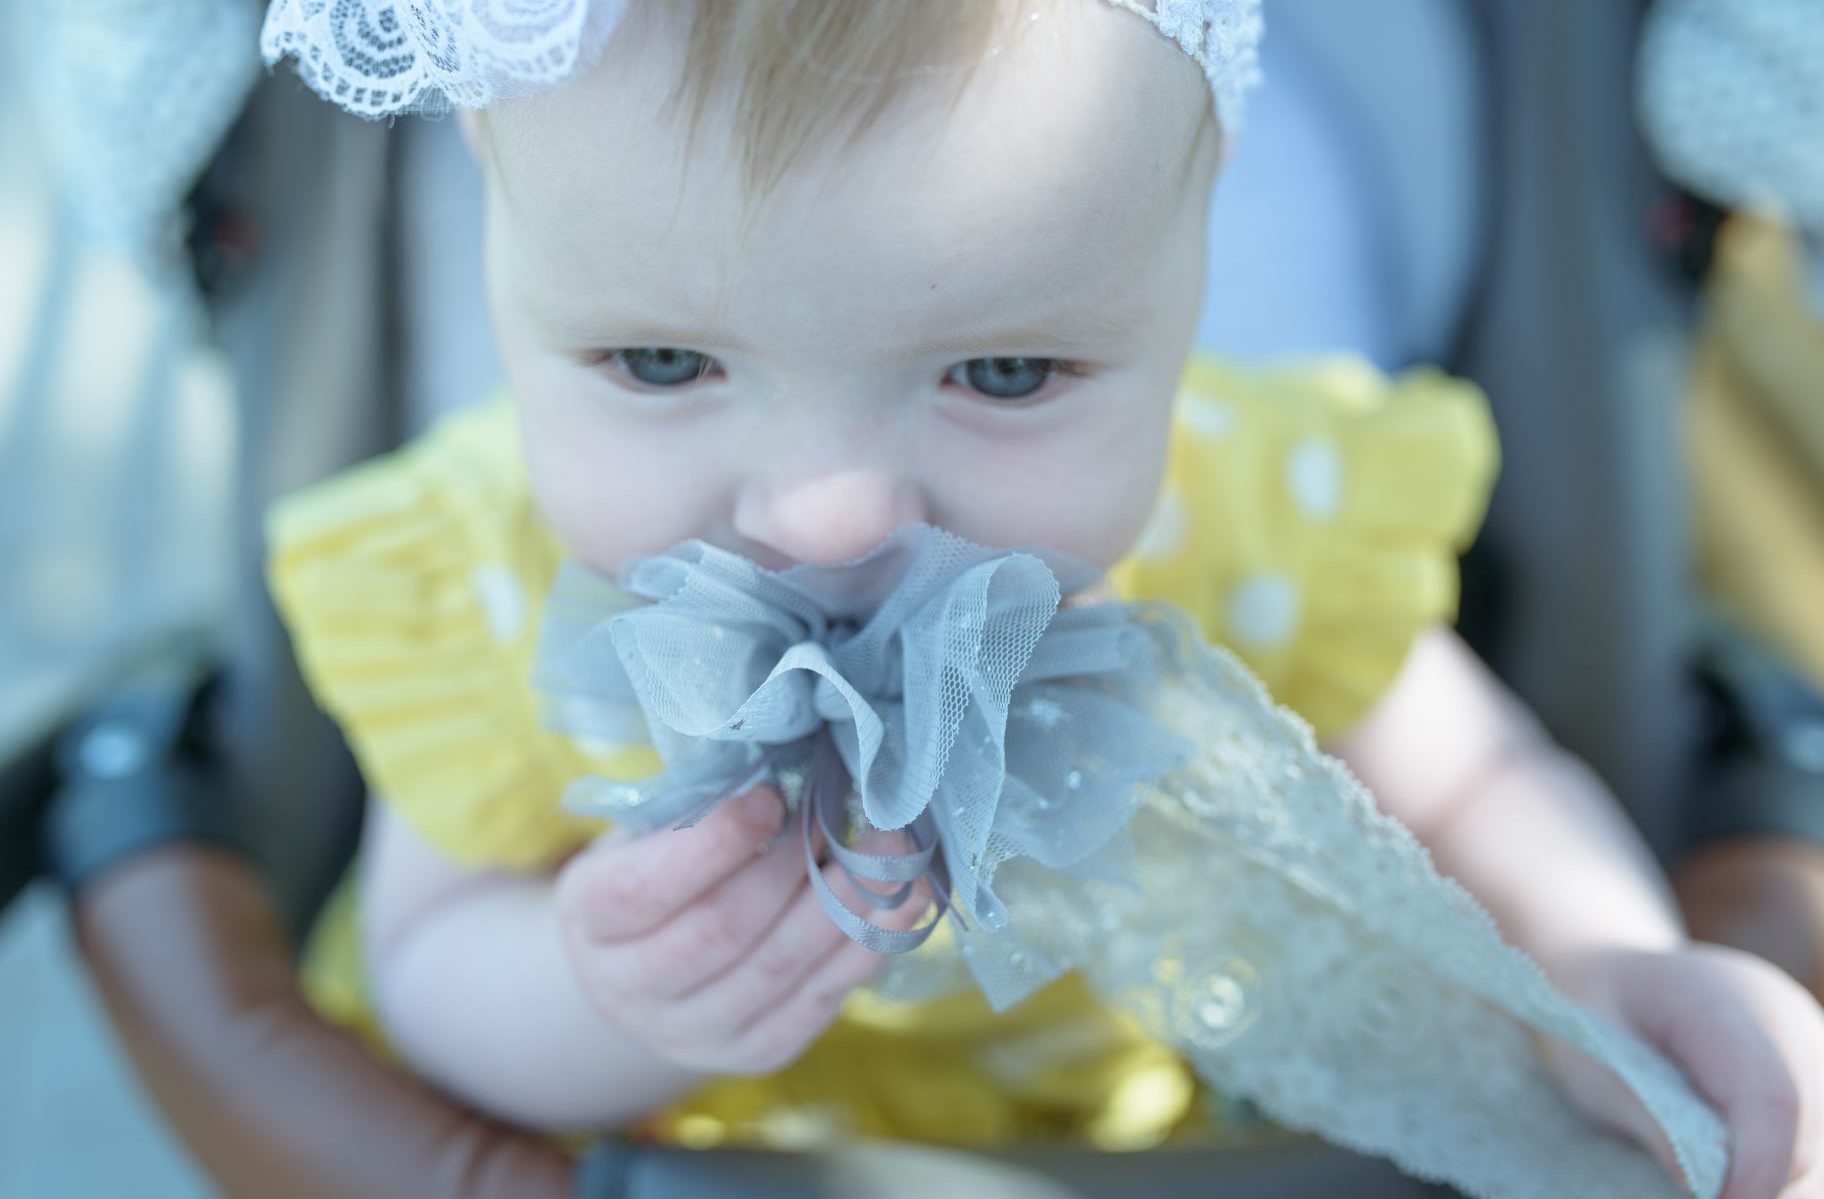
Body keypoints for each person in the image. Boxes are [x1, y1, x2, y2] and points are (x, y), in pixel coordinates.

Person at [260, 2, 1823, 1196]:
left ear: (1196, 236)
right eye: (662, 364)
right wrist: (607, 1003)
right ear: (491, 185)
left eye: (1004, 374)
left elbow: (1474, 785)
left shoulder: (1244, 516)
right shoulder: (494, 584)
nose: (832, 515)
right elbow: (426, 951)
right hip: (690, 1151)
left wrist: (1594, 971)